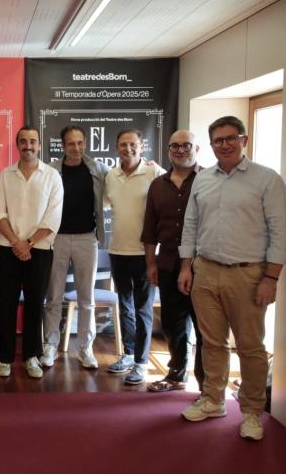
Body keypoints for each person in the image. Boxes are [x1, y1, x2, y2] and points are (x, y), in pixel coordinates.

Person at [178, 116, 286, 441]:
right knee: (212, 343)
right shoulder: (202, 179)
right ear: (211, 145)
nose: (225, 145)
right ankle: (213, 400)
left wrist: (271, 278)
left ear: (244, 140)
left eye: (231, 138)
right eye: (218, 140)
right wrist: (186, 267)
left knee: (250, 347)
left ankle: (252, 412)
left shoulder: (267, 179)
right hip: (205, 271)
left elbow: (281, 232)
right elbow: (191, 224)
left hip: (248, 274)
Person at [0, 126, 63, 379]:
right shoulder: (5, 175)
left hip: (40, 250)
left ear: (39, 144)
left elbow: (53, 217)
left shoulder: (52, 176)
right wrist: (17, 242)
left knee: (35, 304)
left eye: (32, 141)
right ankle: (4, 358)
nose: (28, 146)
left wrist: (29, 243)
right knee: (7, 304)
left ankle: (32, 356)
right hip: (8, 249)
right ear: (17, 145)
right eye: (23, 141)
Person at [141, 130, 204, 392]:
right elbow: (149, 228)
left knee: (204, 328)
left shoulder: (209, 180)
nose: (180, 150)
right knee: (172, 324)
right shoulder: (158, 185)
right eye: (174, 146)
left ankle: (207, 385)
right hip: (167, 264)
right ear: (168, 150)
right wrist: (150, 264)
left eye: (186, 145)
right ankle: (177, 375)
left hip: (203, 267)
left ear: (196, 149)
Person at [41, 125, 109, 369]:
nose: (76, 147)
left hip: (86, 239)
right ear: (63, 145)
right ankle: (51, 345)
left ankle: (85, 348)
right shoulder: (51, 170)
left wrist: (151, 167)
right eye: (71, 143)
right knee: (53, 297)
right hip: (56, 239)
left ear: (85, 143)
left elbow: (122, 178)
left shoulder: (98, 169)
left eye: (80, 142)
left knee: (86, 298)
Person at [105, 128, 165, 385]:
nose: (127, 149)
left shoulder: (154, 172)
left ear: (142, 147)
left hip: (145, 253)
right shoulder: (111, 176)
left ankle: (141, 363)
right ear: (116, 147)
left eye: (132, 144)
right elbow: (106, 203)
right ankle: (128, 354)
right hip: (117, 250)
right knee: (125, 305)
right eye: (122, 144)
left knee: (143, 308)